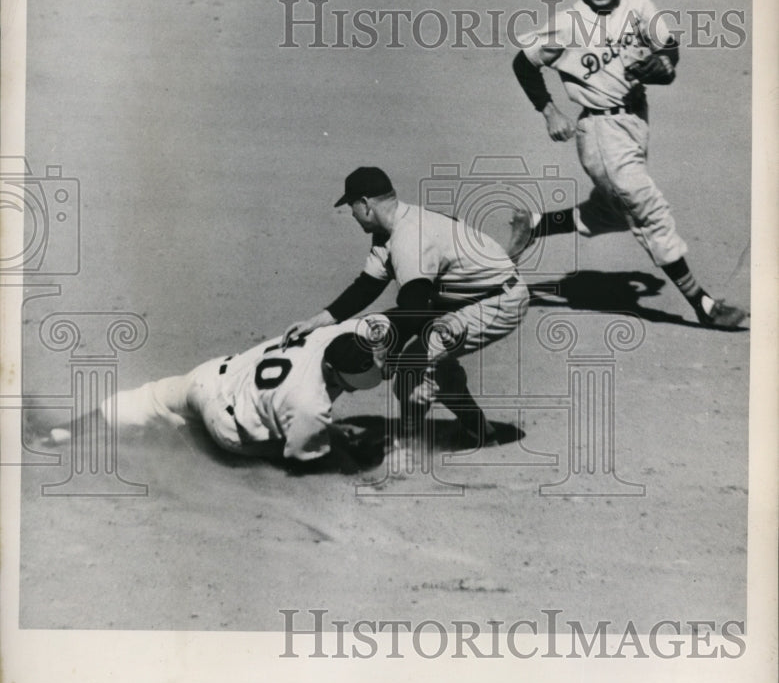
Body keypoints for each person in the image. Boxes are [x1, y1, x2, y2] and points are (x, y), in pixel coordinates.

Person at [510, 0, 746, 330]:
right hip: (601, 132)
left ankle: (534, 225)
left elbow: (668, 46)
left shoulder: (638, 5)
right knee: (648, 210)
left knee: (614, 212)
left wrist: (666, 62)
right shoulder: (569, 23)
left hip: (636, 122)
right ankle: (703, 304)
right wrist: (549, 111)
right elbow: (524, 61)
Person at [283, 166, 529, 445]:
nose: (351, 213)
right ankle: (482, 431)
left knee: (411, 370)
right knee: (432, 361)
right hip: (463, 293)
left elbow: (415, 309)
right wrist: (319, 320)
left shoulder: (409, 238)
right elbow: (367, 286)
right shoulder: (388, 231)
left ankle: (407, 445)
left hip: (497, 301)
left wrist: (388, 350)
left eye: (351, 205)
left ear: (365, 204)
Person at [43, 316, 390, 469]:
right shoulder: (308, 402)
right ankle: (191, 440)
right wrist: (353, 457)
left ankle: (62, 433)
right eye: (353, 380)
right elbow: (302, 455)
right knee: (304, 451)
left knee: (146, 399)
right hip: (227, 428)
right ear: (332, 370)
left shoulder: (326, 335)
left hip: (210, 377)